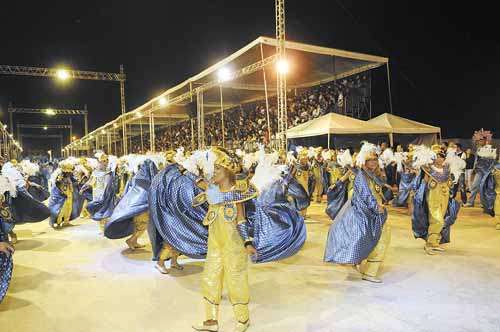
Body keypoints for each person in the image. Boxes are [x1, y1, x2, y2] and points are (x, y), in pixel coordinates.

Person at [324, 142, 391, 283]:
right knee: (380, 239)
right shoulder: (360, 174)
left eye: (375, 159)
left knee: (366, 237)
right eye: (370, 160)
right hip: (367, 212)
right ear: (363, 160)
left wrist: (384, 186)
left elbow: (375, 187)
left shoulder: (370, 174)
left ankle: (359, 261)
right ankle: (370, 272)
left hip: (372, 212)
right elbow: (366, 194)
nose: (373, 162)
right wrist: (376, 207)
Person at [412, 145, 460, 255]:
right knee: (437, 219)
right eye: (437, 156)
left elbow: (450, 184)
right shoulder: (428, 169)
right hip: (432, 198)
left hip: (444, 197)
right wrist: (418, 195)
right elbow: (423, 184)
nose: (439, 158)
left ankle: (434, 242)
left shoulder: (446, 169)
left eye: (442, 156)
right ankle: (429, 243)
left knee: (441, 219)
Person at [464, 129, 496, 211]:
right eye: (479, 140)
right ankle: (470, 202)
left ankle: (484, 203)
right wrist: (475, 168)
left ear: (485, 140)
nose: (479, 141)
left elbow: (493, 159)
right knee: (475, 186)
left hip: (487, 171)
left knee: (484, 187)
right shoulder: (478, 149)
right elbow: (476, 160)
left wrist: (491, 170)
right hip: (479, 171)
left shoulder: (490, 148)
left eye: (481, 140)